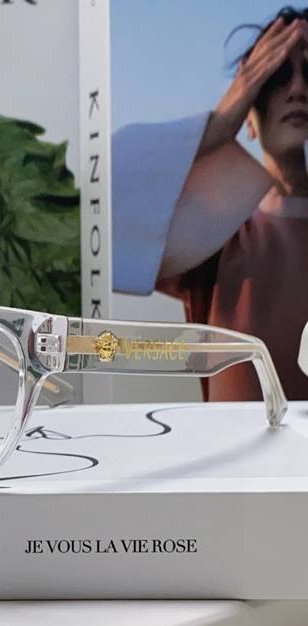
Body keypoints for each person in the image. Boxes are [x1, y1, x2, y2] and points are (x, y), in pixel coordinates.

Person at [114, 7, 308, 400]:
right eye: (275, 75)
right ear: (248, 117)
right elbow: (100, 217)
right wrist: (218, 124)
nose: (298, 88)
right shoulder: (219, 235)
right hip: (237, 443)